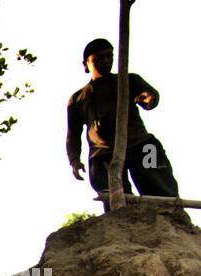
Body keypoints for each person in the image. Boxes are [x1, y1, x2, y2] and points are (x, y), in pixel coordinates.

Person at [68, 38, 179, 212]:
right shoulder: (78, 99)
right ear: (86, 64)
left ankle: (170, 221)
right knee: (115, 202)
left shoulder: (129, 80)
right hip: (103, 153)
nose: (105, 61)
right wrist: (74, 160)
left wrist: (148, 99)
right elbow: (73, 134)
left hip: (140, 145)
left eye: (109, 56)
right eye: (98, 58)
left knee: (160, 192)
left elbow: (151, 97)